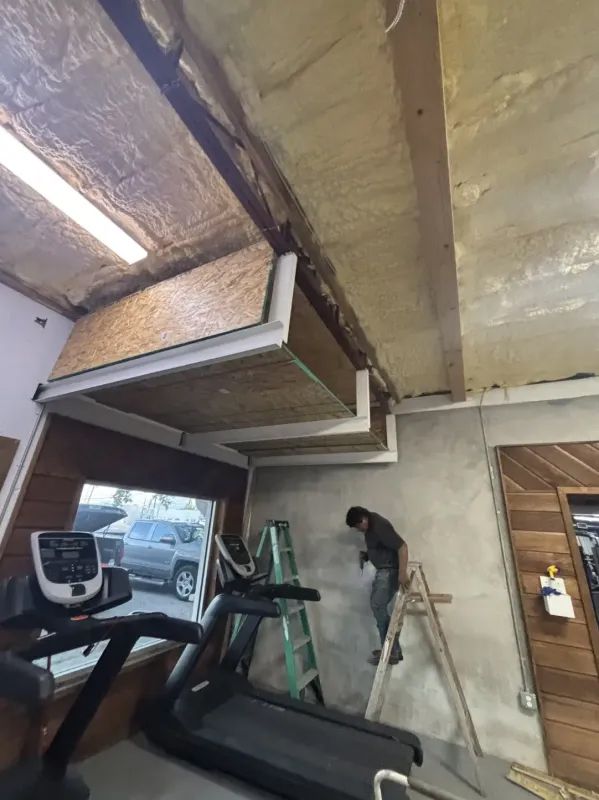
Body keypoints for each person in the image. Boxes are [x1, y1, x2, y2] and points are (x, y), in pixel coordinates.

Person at [346, 506, 409, 665]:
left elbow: (402, 546)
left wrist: (402, 573)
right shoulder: (371, 528)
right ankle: (392, 649)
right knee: (378, 607)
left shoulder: (379, 526)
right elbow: (382, 549)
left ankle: (391, 650)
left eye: (357, 527)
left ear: (363, 520)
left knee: (378, 606)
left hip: (389, 572)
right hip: (384, 571)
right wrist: (368, 556)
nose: (358, 530)